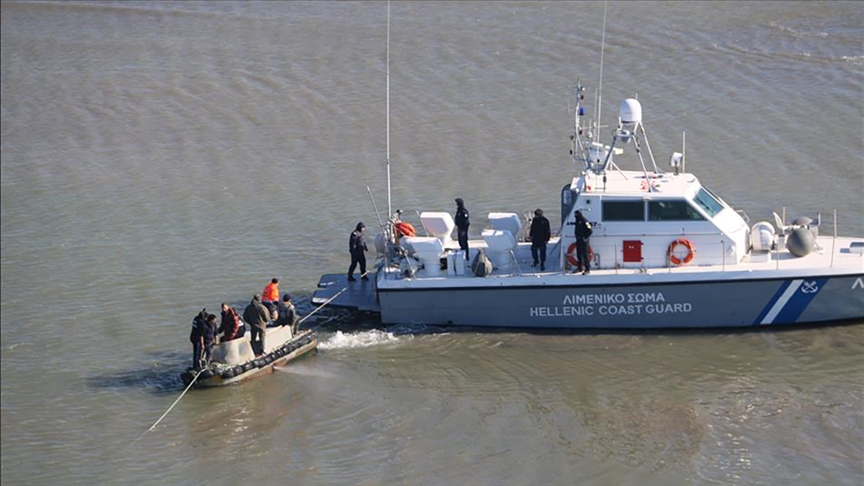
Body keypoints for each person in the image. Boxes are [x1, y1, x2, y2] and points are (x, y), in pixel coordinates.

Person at [574, 209, 593, 275]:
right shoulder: (577, 221)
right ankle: (580, 267)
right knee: (579, 254)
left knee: (585, 255)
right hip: (578, 240)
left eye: (576, 214)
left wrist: (585, 237)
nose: (575, 216)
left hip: (584, 241)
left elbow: (590, 230)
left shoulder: (585, 221)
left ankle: (587, 269)